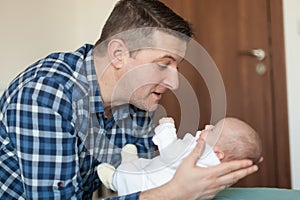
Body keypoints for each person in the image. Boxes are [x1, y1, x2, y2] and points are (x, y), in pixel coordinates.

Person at [0, 0, 259, 199]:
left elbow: (150, 174)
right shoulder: (46, 96)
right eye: (162, 65)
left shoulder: (137, 99)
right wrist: (172, 193)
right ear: (119, 54)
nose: (174, 83)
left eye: (176, 67)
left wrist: (210, 166)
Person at [97, 117, 262, 196]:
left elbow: (171, 153)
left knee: (135, 176)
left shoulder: (203, 156)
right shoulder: (217, 167)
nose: (207, 126)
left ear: (218, 154)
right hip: (160, 170)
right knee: (146, 164)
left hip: (151, 186)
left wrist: (167, 128)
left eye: (213, 130)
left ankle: (114, 179)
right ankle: (131, 162)